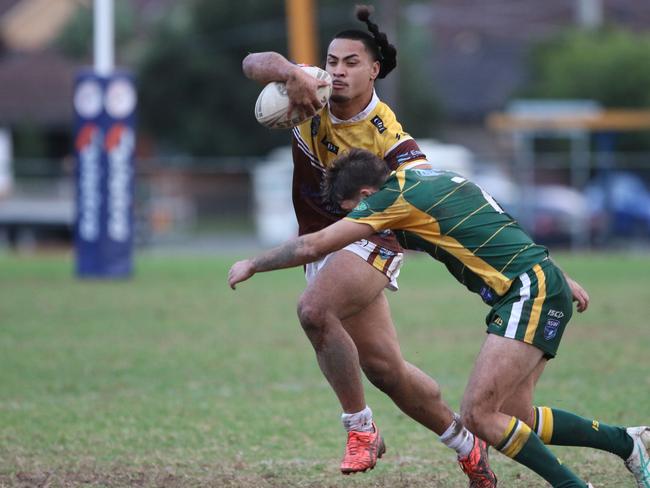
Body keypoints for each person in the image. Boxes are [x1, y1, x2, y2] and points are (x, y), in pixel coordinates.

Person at [228, 148, 650, 488]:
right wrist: (558, 274)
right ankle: (627, 442)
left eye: (353, 210)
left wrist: (253, 263)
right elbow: (498, 224)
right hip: (536, 284)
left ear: (366, 193)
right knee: (514, 415)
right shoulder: (434, 178)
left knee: (479, 415)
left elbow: (313, 246)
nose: (357, 222)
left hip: (526, 291)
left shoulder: (392, 200)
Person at [242, 5, 496, 486]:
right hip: (319, 244)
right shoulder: (308, 90)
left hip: (371, 238)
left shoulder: (386, 133)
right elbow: (252, 62)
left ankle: (360, 429)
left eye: (351, 62)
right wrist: (290, 72)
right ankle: (467, 445)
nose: (337, 70)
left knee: (315, 311)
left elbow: (432, 191)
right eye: (332, 61)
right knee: (385, 369)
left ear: (374, 70)